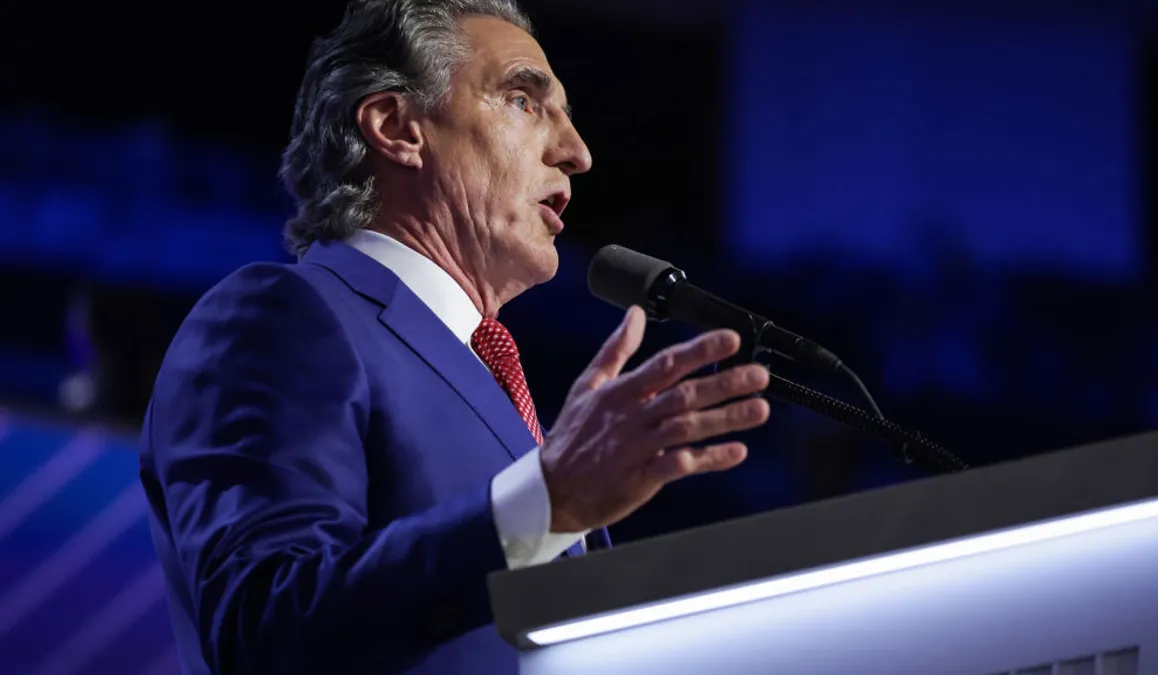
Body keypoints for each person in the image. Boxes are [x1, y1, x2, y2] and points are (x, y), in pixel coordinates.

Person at [138, 1, 772, 673]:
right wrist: (545, 500)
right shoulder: (284, 314)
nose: (578, 153)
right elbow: (263, 628)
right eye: (526, 101)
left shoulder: (493, 383)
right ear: (397, 127)